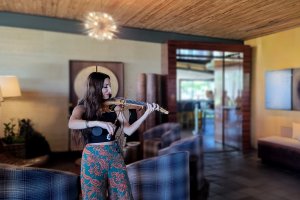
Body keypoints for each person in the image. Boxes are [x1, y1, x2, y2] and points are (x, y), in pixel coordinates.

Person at [68, 72, 158, 200]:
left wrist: (146, 114)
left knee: (123, 195)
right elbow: (72, 123)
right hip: (92, 157)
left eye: (110, 86)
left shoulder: (114, 106)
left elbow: (128, 130)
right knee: (93, 196)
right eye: (105, 86)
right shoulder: (82, 107)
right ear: (95, 86)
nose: (110, 90)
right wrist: (98, 122)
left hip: (114, 155)